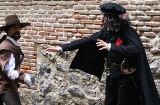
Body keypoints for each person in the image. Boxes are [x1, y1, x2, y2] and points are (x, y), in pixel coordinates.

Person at [46, 2, 160, 105]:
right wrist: (62, 48)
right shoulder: (106, 32)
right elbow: (86, 40)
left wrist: (110, 47)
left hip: (126, 76)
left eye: (104, 17)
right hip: (112, 74)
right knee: (109, 102)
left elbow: (135, 49)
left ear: (111, 19)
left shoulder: (127, 32)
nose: (102, 19)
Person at [0, 15, 35, 105]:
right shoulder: (7, 47)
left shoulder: (11, 44)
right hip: (5, 86)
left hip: (8, 84)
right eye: (14, 27)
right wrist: (23, 77)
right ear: (8, 30)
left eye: (18, 27)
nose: (17, 29)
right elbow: (9, 73)